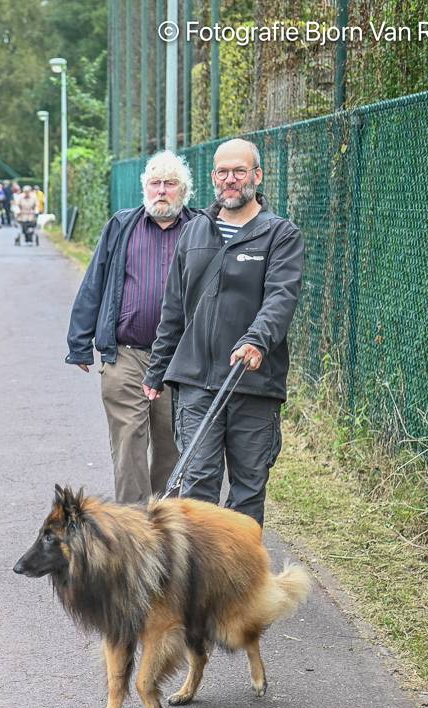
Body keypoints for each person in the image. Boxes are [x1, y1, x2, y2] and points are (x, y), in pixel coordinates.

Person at [142, 138, 305, 525]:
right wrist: (157, 369)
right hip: (197, 381)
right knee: (198, 486)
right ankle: (201, 582)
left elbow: (280, 300)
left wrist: (255, 340)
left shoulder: (280, 234)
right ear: (213, 177)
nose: (230, 180)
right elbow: (174, 309)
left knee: (248, 488)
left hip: (253, 383)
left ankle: (241, 582)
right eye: (223, 172)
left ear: (257, 176)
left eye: (239, 171)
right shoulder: (194, 231)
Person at [66, 150, 196, 503]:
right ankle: (132, 530)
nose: (162, 191)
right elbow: (94, 282)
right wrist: (79, 342)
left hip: (179, 360)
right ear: (145, 188)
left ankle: (166, 529)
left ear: (184, 191)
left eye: (170, 184)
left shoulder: (201, 229)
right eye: (155, 183)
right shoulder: (122, 225)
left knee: (172, 446)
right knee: (129, 443)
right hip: (125, 355)